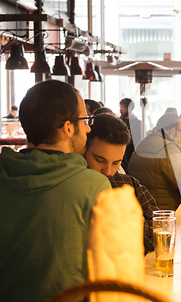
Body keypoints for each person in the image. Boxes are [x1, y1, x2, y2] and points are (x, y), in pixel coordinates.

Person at [0, 80, 111, 302]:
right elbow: (110, 273)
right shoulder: (94, 187)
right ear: (68, 128)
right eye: (85, 120)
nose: (88, 127)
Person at [84, 114, 159, 254]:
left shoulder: (128, 184)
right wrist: (135, 222)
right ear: (84, 150)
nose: (108, 171)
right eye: (99, 160)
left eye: (116, 163)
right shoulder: (76, 188)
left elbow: (160, 231)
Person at [128, 113, 181, 210]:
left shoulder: (143, 142)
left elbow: (157, 169)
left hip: (142, 207)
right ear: (173, 131)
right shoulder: (168, 147)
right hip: (163, 209)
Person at [119, 98, 142, 170]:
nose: (120, 110)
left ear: (130, 108)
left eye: (122, 108)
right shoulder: (119, 121)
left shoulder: (137, 123)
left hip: (131, 153)